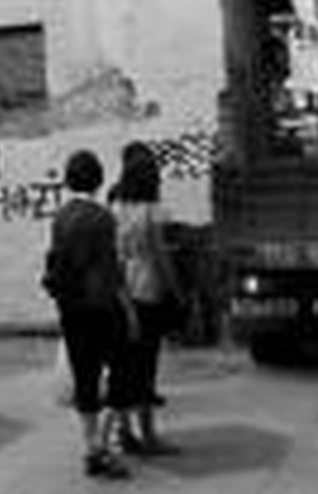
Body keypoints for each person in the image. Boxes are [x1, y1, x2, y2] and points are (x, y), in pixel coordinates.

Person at [43, 149, 136, 480]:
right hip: (102, 307)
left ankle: (90, 446)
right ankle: (102, 445)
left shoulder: (60, 216)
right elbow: (113, 272)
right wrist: (129, 310)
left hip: (71, 308)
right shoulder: (102, 218)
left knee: (85, 378)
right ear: (98, 179)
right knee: (122, 373)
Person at [109, 141, 185, 456]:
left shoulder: (115, 210)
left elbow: (113, 256)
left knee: (123, 364)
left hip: (120, 291)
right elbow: (160, 258)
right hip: (147, 290)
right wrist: (177, 290)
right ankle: (149, 435)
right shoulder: (151, 213)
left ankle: (124, 431)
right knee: (146, 365)